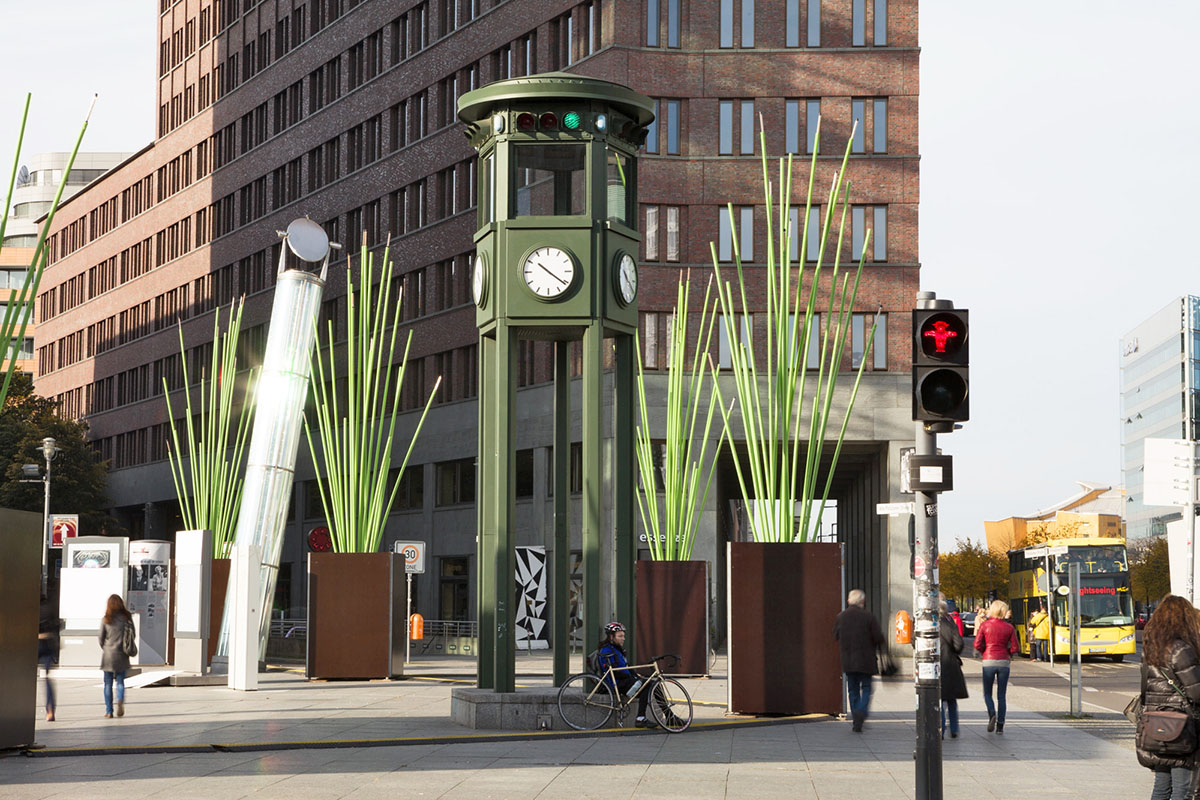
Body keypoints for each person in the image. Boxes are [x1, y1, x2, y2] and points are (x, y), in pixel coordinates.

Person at [1137, 594, 1200, 800]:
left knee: (1162, 787)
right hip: (1180, 725)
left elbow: (1145, 689)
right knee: (1183, 789)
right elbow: (1196, 691)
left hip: (1156, 723)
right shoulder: (1181, 649)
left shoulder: (1151, 649)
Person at [833, 589, 885, 732]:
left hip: (848, 660)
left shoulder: (841, 617)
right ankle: (861, 711)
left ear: (849, 601)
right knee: (867, 688)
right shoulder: (869, 617)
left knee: (853, 690)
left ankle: (857, 720)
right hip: (866, 660)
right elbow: (879, 638)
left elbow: (836, 635)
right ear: (863, 601)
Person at [595, 622, 655, 728]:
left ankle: (669, 715)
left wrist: (636, 676)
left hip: (626, 682)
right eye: (620, 636)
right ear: (611, 637)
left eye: (624, 636)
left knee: (654, 684)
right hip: (619, 684)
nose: (623, 638)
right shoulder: (606, 651)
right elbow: (614, 672)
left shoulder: (618, 650)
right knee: (648, 684)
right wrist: (632, 678)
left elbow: (627, 667)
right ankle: (640, 718)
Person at [974, 599, 1018, 734]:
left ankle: (992, 713)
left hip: (988, 660)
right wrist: (1008, 653)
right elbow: (1015, 647)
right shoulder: (1009, 627)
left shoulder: (985, 625)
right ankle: (1000, 725)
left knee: (987, 693)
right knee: (1001, 695)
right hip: (1004, 661)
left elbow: (977, 644)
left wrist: (984, 652)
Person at [99, 594, 135, 719]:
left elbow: (101, 638)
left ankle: (109, 711)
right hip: (122, 654)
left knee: (107, 683)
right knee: (120, 681)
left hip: (108, 655)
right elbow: (132, 635)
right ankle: (120, 699)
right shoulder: (127, 618)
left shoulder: (106, 619)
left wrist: (106, 647)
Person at [939, 594, 968, 739]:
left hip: (934, 667)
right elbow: (959, 645)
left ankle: (941, 728)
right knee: (951, 700)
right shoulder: (951, 626)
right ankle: (954, 728)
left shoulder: (926, 625)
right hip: (950, 665)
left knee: (938, 700)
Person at [38, 593, 60, 722]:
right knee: (47, 678)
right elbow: (57, 626)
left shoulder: (31, 607)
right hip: (49, 643)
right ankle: (50, 710)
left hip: (35, 643)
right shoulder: (50, 608)